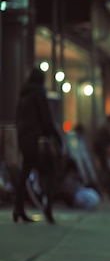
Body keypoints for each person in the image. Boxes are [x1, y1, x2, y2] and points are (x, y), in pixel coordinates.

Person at [12, 67, 63, 224]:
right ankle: (47, 208)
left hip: (24, 141)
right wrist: (56, 136)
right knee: (49, 174)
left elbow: (17, 120)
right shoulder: (38, 93)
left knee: (24, 174)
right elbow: (45, 118)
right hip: (39, 142)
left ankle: (18, 209)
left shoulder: (23, 95)